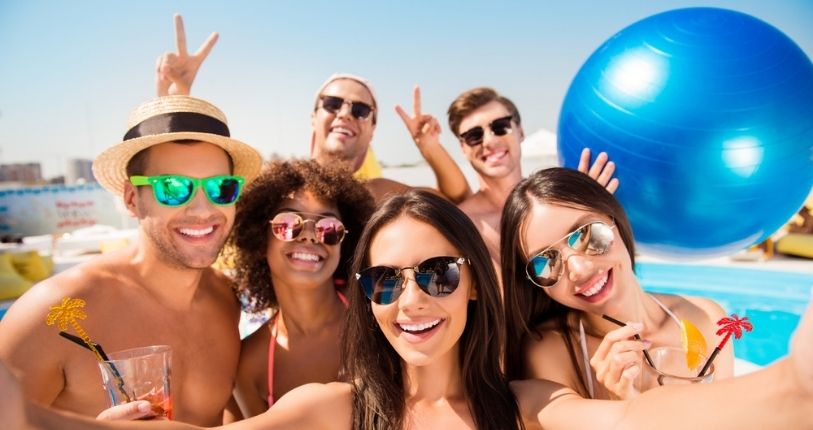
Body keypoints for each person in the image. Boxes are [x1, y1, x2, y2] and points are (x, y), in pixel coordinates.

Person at [10, 190, 813, 430]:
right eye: (385, 282)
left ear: (473, 281)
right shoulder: (327, 410)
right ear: (364, 300)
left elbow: (779, 399)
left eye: (434, 272)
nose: (411, 298)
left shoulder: (531, 408)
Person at [0, 95, 263, 425]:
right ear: (131, 199)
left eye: (221, 187)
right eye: (172, 187)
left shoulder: (226, 300)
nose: (202, 209)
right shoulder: (52, 313)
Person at [156, 14, 470, 204]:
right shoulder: (274, 184)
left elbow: (456, 200)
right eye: (333, 104)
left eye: (360, 110)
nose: (345, 113)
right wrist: (179, 94)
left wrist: (429, 148)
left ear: (372, 129)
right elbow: (189, 177)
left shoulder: (376, 194)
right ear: (313, 116)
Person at [501, 167, 733, 399]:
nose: (579, 270)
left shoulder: (709, 318)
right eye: (545, 262)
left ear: (614, 220)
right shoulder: (550, 353)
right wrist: (620, 405)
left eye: (586, 234)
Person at [400, 86, 617, 265]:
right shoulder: (462, 226)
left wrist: (593, 212)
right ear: (463, 148)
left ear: (520, 131)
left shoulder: (562, 202)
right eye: (474, 136)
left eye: (500, 127)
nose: (489, 141)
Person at [226, 159, 373, 419]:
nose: (310, 236)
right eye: (288, 223)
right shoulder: (249, 363)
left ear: (345, 244)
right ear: (260, 240)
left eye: (328, 228)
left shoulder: (374, 316)